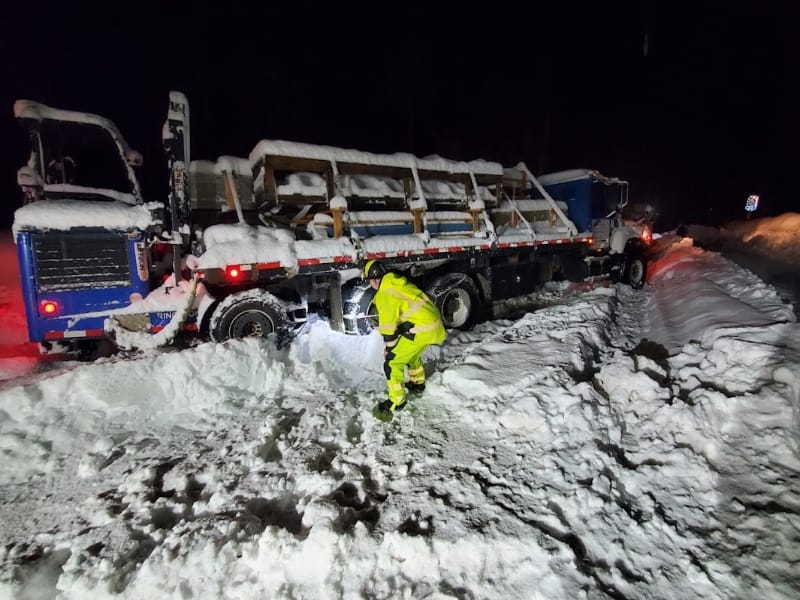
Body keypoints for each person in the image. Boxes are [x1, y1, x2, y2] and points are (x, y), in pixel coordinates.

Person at [363, 259, 447, 416]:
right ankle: (418, 383)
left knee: (393, 362)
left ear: (374, 279)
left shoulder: (385, 293)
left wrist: (389, 349)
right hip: (433, 326)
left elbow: (388, 329)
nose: (370, 285)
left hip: (422, 329)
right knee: (411, 354)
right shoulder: (397, 283)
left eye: (368, 281)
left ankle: (396, 401)